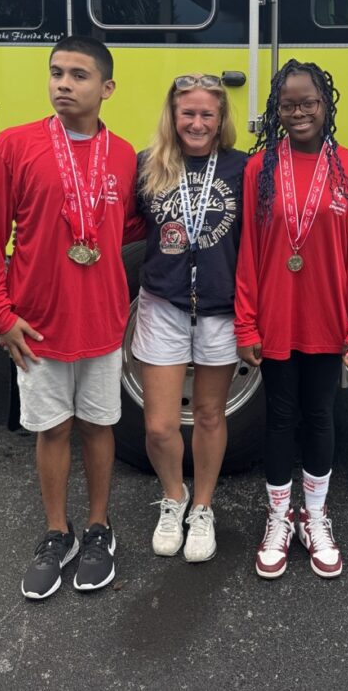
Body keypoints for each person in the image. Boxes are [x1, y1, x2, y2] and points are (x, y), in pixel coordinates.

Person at [0, 36, 142, 600]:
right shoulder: (15, 147)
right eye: (56, 72)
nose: (63, 84)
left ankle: (98, 528)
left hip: (101, 320)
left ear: (107, 88)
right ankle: (56, 532)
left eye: (79, 75)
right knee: (52, 428)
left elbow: (131, 226)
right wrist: (0, 314)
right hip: (37, 324)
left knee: (98, 425)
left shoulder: (123, 153)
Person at [234, 59, 348, 579]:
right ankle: (279, 518)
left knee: (319, 418)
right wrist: (246, 325)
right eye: (289, 104)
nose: (299, 113)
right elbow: (249, 251)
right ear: (277, 109)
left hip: (327, 320)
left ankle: (314, 516)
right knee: (278, 419)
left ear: (325, 106)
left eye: (308, 103)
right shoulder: (259, 169)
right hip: (274, 320)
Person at [132, 74, 245, 563]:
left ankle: (202, 507)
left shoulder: (243, 168)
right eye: (188, 113)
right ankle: (173, 497)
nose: (197, 123)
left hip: (221, 312)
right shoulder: (149, 165)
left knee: (208, 415)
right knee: (159, 425)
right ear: (173, 117)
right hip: (163, 305)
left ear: (221, 121)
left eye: (207, 114)